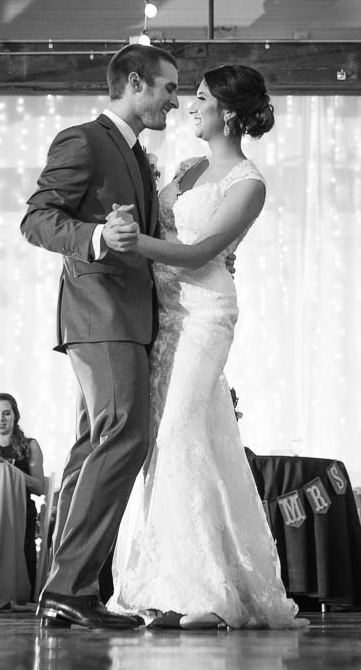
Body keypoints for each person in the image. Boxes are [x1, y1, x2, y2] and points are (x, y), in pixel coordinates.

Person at [104, 64, 303, 630]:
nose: (190, 105)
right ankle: (168, 580)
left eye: (200, 97)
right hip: (163, 314)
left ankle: (195, 592)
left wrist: (131, 242)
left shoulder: (248, 183)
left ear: (229, 112)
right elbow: (157, 219)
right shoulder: (189, 168)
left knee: (180, 435)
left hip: (205, 312)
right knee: (173, 441)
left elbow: (200, 253)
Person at [21, 42, 178, 631]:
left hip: (128, 318)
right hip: (99, 313)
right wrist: (93, 238)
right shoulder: (83, 140)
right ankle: (70, 587)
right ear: (135, 84)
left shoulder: (138, 156)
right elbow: (36, 218)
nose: (174, 99)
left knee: (95, 448)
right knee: (125, 437)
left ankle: (64, 591)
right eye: (167, 86)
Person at [0, 392, 48, 585]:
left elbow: (39, 487)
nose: (1, 419)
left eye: (6, 413)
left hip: (21, 510)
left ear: (15, 415)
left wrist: (10, 470)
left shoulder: (30, 445)